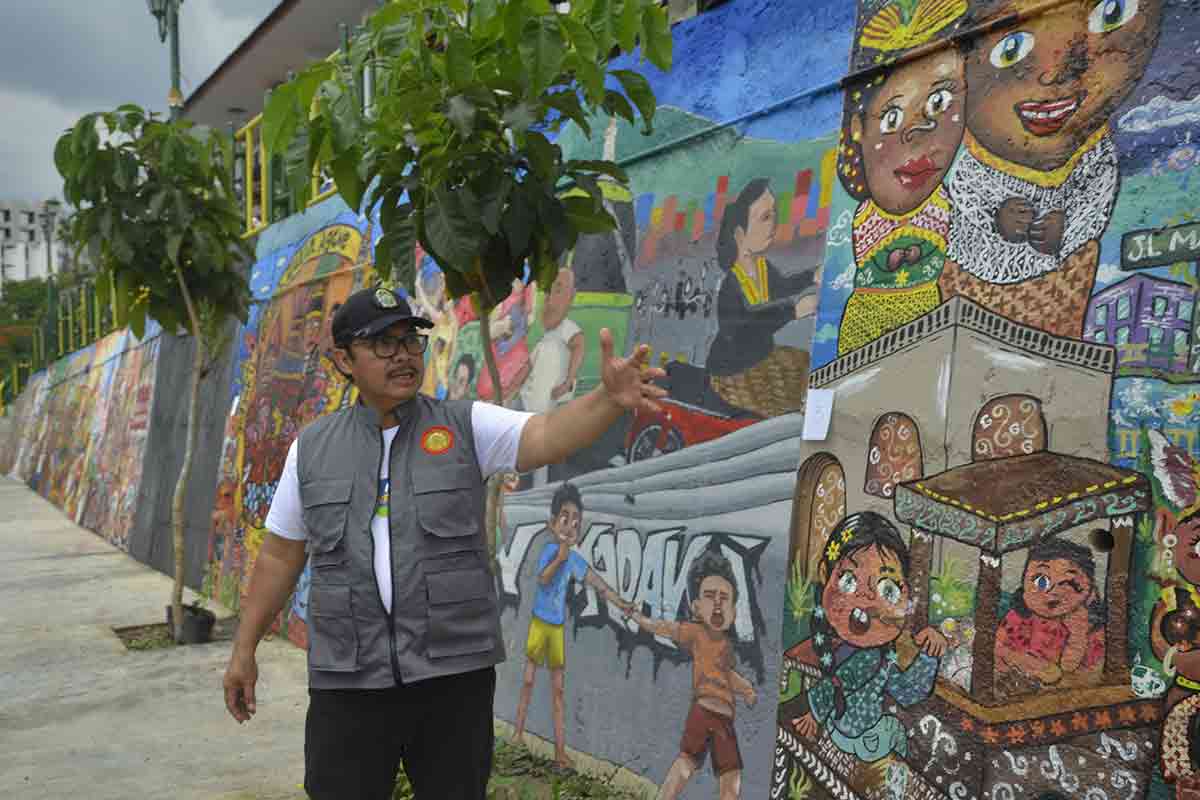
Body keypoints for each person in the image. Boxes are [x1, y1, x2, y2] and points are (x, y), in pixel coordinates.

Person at [222, 286, 666, 800]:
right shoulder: (313, 449)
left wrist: (607, 400)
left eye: (410, 341)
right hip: (349, 678)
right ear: (344, 359)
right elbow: (281, 554)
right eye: (383, 344)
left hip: (451, 674)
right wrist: (243, 649)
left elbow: (545, 434)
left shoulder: (465, 426)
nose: (404, 356)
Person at [835, 0, 966, 356]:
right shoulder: (867, 215)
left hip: (925, 314)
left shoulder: (952, 200)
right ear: (858, 128)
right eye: (892, 117)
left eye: (939, 102)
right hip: (869, 321)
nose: (918, 129)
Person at [791, 512, 946, 771]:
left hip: (851, 734)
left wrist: (930, 655)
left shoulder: (880, 656)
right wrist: (814, 714)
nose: (865, 599)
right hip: (859, 741)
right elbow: (837, 684)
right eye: (849, 580)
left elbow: (906, 690)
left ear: (906, 593)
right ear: (825, 575)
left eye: (888, 589)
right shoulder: (868, 657)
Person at [512, 482, 631, 768]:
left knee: (558, 691)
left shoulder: (574, 560)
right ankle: (517, 734)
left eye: (575, 523)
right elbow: (543, 579)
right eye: (565, 518)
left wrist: (622, 603)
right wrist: (560, 558)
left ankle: (560, 752)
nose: (570, 526)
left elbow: (598, 584)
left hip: (556, 629)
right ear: (552, 523)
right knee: (528, 681)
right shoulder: (551, 551)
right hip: (539, 624)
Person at [626, 546, 757, 800]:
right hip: (706, 712)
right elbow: (663, 627)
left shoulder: (726, 645)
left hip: (722, 718)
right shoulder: (695, 632)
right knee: (694, 765)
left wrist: (746, 689)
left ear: (733, 610)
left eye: (724, 598)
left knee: (724, 773)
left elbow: (726, 674)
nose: (718, 603)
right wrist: (640, 619)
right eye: (710, 596)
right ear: (696, 607)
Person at [705, 179, 816, 419]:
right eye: (765, 218)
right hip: (733, 373)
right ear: (739, 234)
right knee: (785, 396)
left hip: (763, 357)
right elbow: (746, 325)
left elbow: (784, 287)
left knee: (808, 367)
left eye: (774, 215)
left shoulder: (764, 269)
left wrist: (812, 276)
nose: (773, 225)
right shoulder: (731, 286)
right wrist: (794, 310)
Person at [993, 538, 1106, 697]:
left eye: (1068, 584)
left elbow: (1070, 670)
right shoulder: (1018, 618)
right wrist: (1020, 661)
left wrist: (1078, 634)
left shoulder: (1087, 629)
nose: (1052, 592)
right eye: (1041, 581)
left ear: (1089, 593)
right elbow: (996, 648)